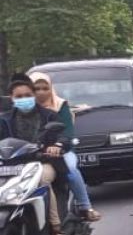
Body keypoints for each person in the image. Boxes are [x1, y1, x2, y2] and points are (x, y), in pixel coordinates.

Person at [0, 74, 69, 235]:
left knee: (42, 180)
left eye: (28, 95)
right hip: (13, 166)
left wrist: (57, 146)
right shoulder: (4, 120)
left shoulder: (49, 116)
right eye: (19, 97)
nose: (24, 99)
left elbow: (63, 137)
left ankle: (56, 229)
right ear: (12, 98)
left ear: (34, 95)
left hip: (43, 162)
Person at [30, 72, 101, 222]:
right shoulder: (21, 111)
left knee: (70, 170)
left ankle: (85, 206)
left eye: (45, 88)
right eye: (36, 88)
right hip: (31, 152)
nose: (41, 92)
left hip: (61, 150)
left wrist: (58, 145)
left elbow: (66, 132)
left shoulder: (60, 105)